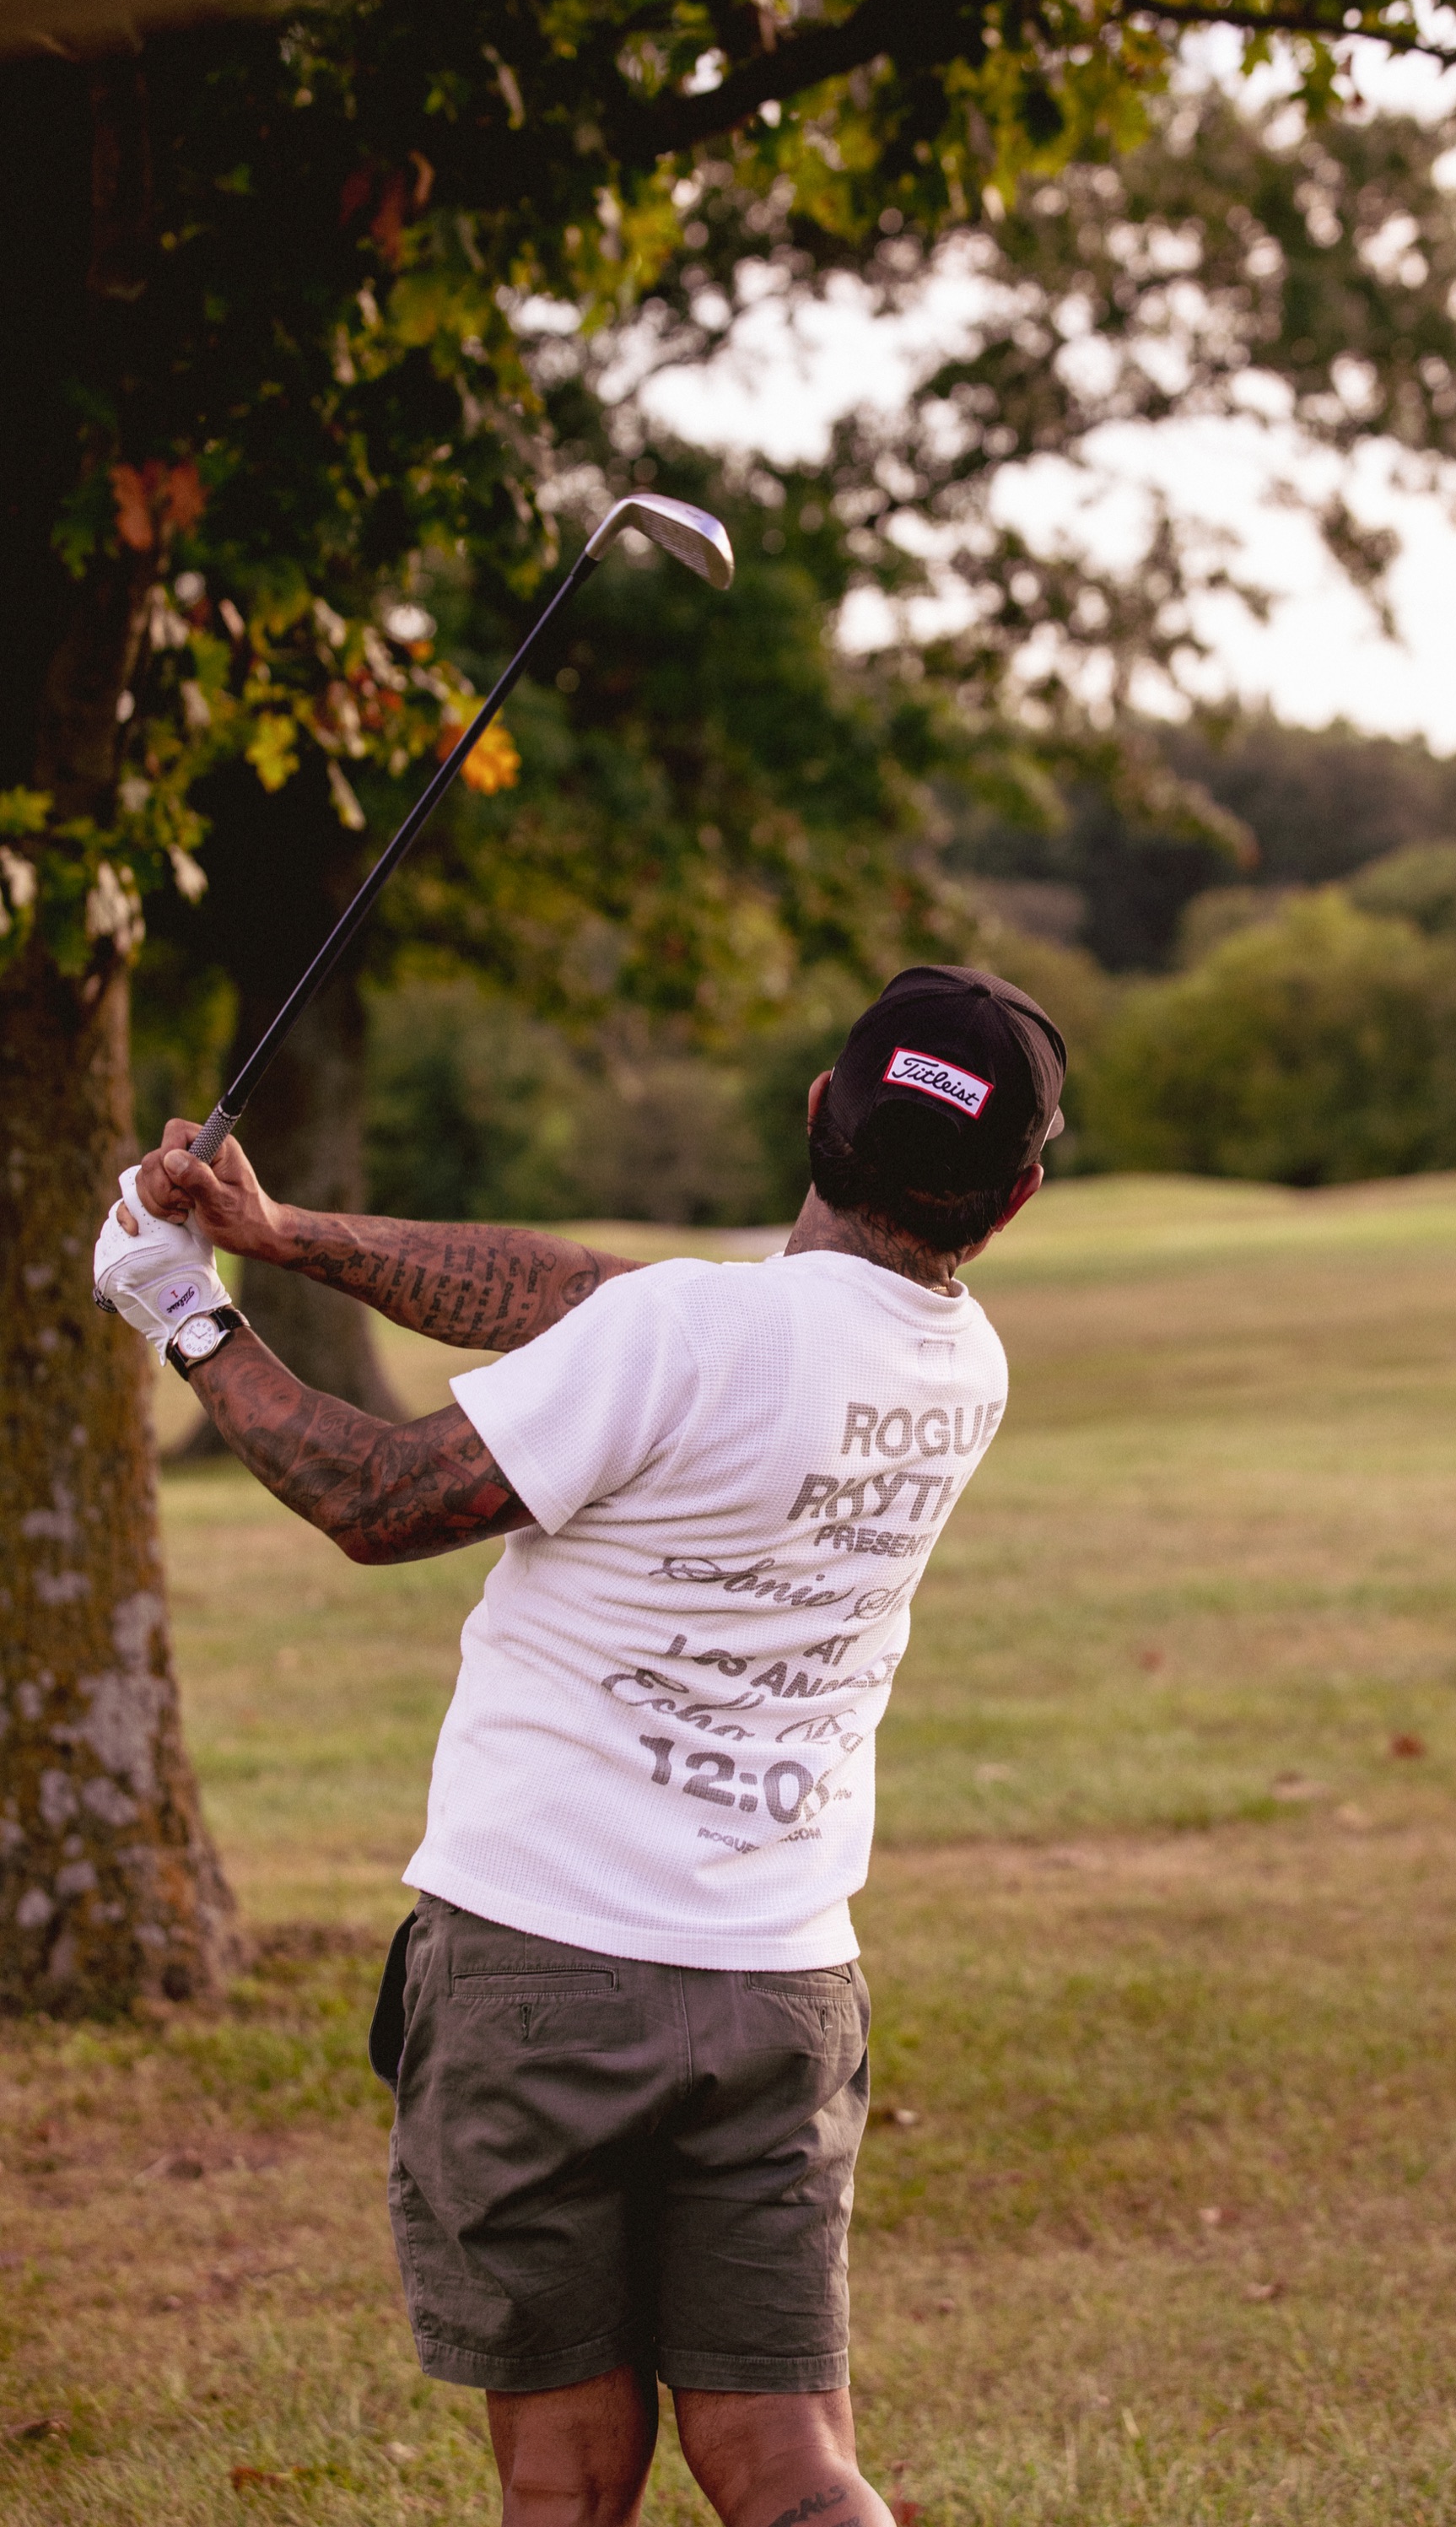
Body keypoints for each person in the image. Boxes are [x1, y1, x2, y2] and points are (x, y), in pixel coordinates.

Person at [94, 964, 1065, 2527]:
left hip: (546, 1973)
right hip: (779, 1986)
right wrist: (286, 1237)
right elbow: (593, 1295)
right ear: (1011, 1199)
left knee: (565, 2483)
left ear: (818, 1111)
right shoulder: (958, 1366)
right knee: (793, 2467)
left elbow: (381, 1500)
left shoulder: (697, 1329)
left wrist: (187, 1310)